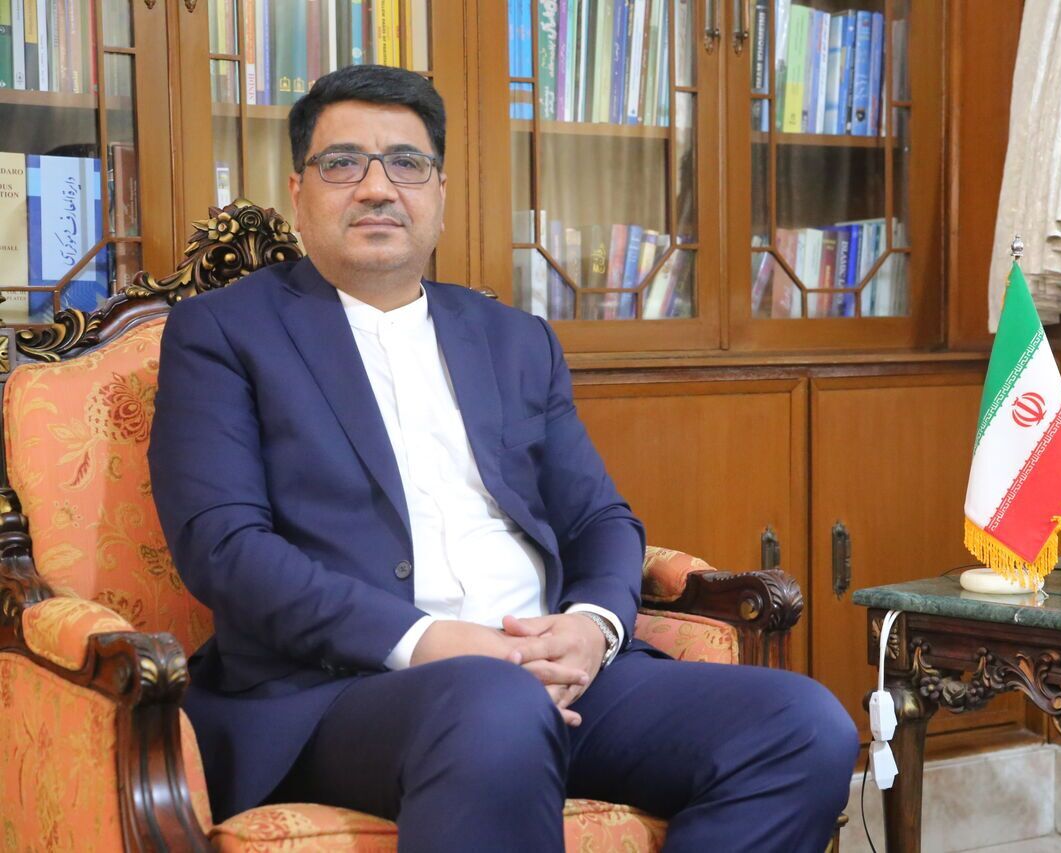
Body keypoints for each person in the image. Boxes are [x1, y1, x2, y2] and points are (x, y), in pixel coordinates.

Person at [149, 64, 857, 851]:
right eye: (343, 163)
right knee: (494, 705)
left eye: (406, 163)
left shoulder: (514, 340)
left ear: (440, 192)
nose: (377, 188)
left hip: (550, 671)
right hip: (344, 693)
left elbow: (600, 519)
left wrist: (591, 627)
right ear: (299, 189)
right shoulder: (224, 333)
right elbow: (225, 548)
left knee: (802, 725)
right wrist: (429, 640)